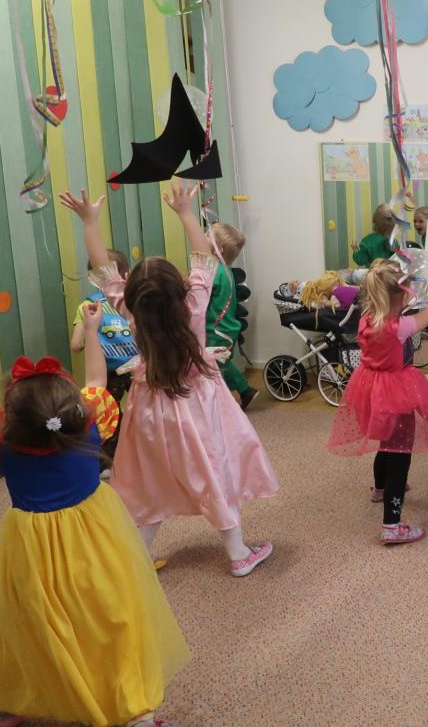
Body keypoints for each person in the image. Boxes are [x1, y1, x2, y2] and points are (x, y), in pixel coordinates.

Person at [61, 184, 279, 576]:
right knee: (211, 470)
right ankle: (238, 554)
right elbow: (203, 256)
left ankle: (140, 559)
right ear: (179, 286)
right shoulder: (193, 305)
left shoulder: (130, 308)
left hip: (148, 408)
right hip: (196, 405)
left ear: (133, 294)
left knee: (150, 479)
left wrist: (89, 223)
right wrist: (185, 212)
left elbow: (105, 271)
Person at [0, 306, 190, 727]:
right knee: (114, 617)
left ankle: (11, 699)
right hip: (94, 537)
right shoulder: (91, 423)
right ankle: (135, 711)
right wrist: (93, 328)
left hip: (32, 546)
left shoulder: (2, 441)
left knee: (29, 619)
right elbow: (98, 381)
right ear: (75, 410)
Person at [328, 258, 428, 544]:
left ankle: (380, 488)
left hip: (369, 387)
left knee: (386, 441)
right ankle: (392, 525)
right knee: (399, 453)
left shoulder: (368, 317)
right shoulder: (399, 326)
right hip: (395, 391)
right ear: (402, 295)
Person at [69, 248, 137, 458]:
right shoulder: (132, 301)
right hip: (137, 368)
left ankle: (112, 455)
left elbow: (76, 345)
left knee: (108, 412)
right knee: (143, 406)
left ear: (92, 278)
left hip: (107, 372)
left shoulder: (88, 305)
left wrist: (94, 339)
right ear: (126, 274)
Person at [204, 222, 259, 411]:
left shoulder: (214, 272)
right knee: (222, 365)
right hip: (227, 330)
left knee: (213, 370)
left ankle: (221, 404)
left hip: (216, 331)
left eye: (207, 235)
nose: (203, 237)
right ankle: (246, 391)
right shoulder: (225, 271)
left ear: (218, 248)